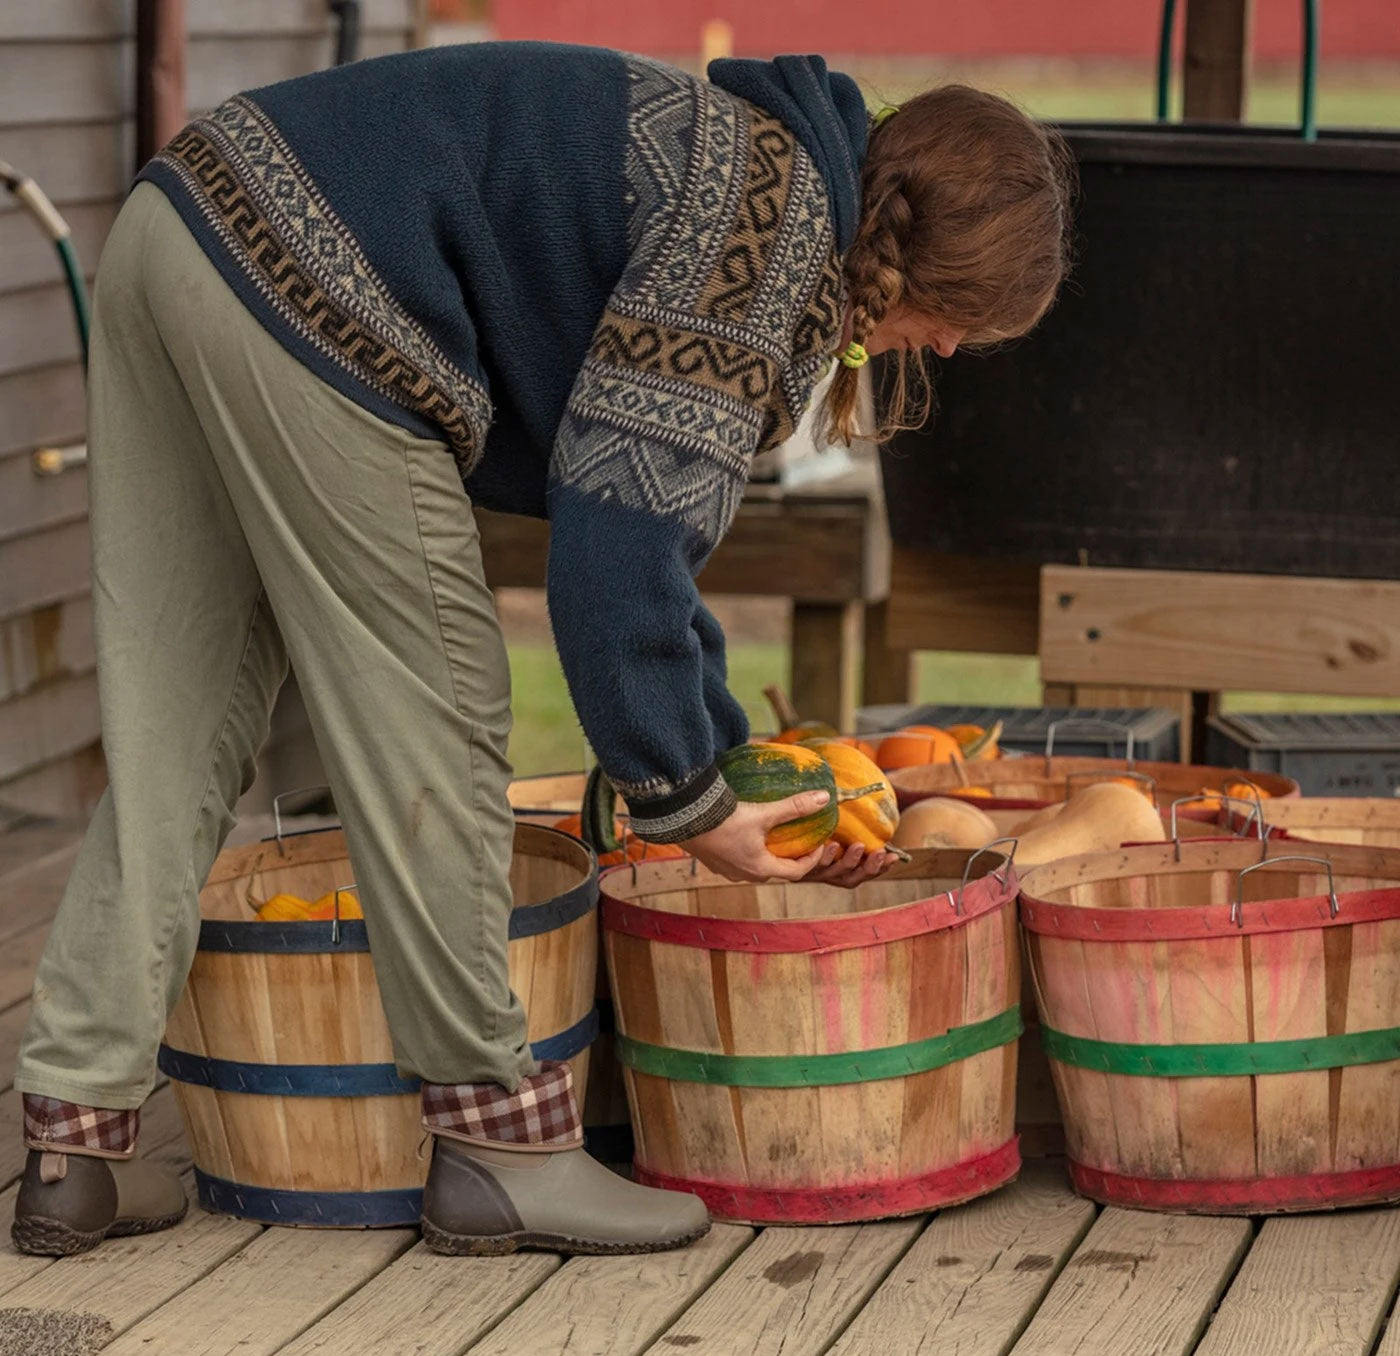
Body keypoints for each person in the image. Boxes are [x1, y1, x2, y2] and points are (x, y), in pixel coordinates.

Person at [12, 41, 1072, 1258]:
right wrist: (683, 798)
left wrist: (717, 763)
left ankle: (73, 1141)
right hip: (323, 291)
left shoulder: (757, 178)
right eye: (964, 328)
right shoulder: (765, 239)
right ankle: (500, 1145)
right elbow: (613, 551)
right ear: (930, 277)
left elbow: (644, 542)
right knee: (441, 705)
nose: (941, 354)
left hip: (178, 216)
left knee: (173, 719)